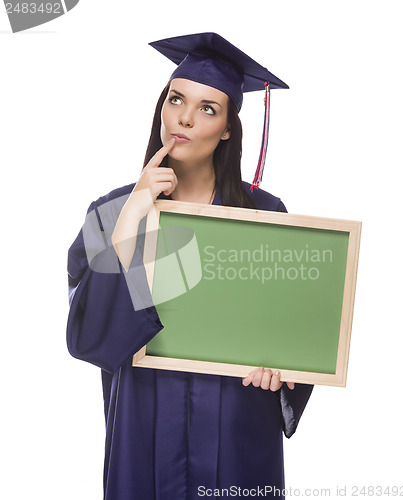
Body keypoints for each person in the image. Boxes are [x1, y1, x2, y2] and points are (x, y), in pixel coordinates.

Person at [67, 33, 313, 499]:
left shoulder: (263, 214)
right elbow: (87, 339)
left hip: (237, 428)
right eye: (176, 99)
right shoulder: (111, 210)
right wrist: (127, 226)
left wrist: (283, 370)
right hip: (141, 427)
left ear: (226, 129)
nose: (184, 117)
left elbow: (293, 333)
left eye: (207, 108)